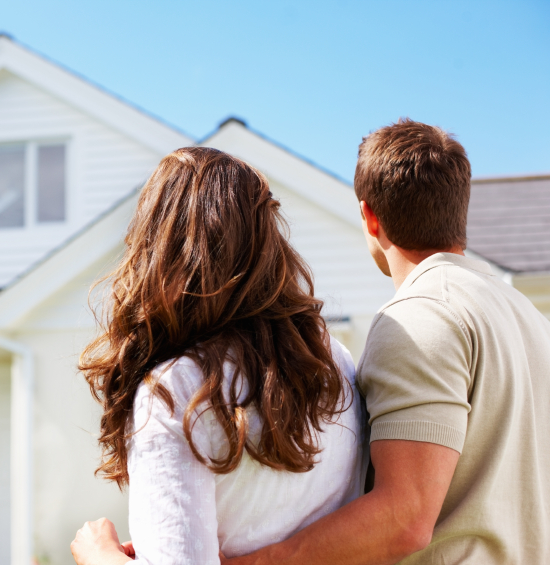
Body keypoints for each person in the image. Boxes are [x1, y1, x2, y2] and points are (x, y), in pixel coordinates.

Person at [216, 119, 550, 564]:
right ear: (459, 211)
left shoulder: (419, 316)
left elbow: (405, 518)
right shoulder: (529, 317)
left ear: (369, 216)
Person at [70, 147, 367, 565]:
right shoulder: (334, 362)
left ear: (156, 247)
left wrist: (98, 556)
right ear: (267, 244)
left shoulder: (174, 390)